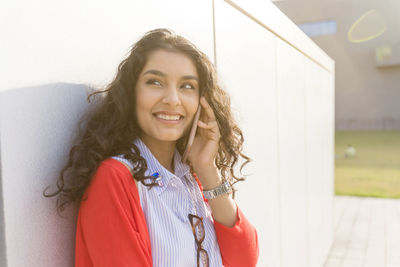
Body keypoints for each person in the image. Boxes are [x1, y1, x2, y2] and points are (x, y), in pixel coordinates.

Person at [44, 28, 259, 267]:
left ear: (202, 101)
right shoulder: (115, 178)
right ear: (132, 93)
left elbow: (244, 260)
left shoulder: (192, 179)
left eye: (187, 86)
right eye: (155, 82)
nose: (172, 99)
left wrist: (208, 171)